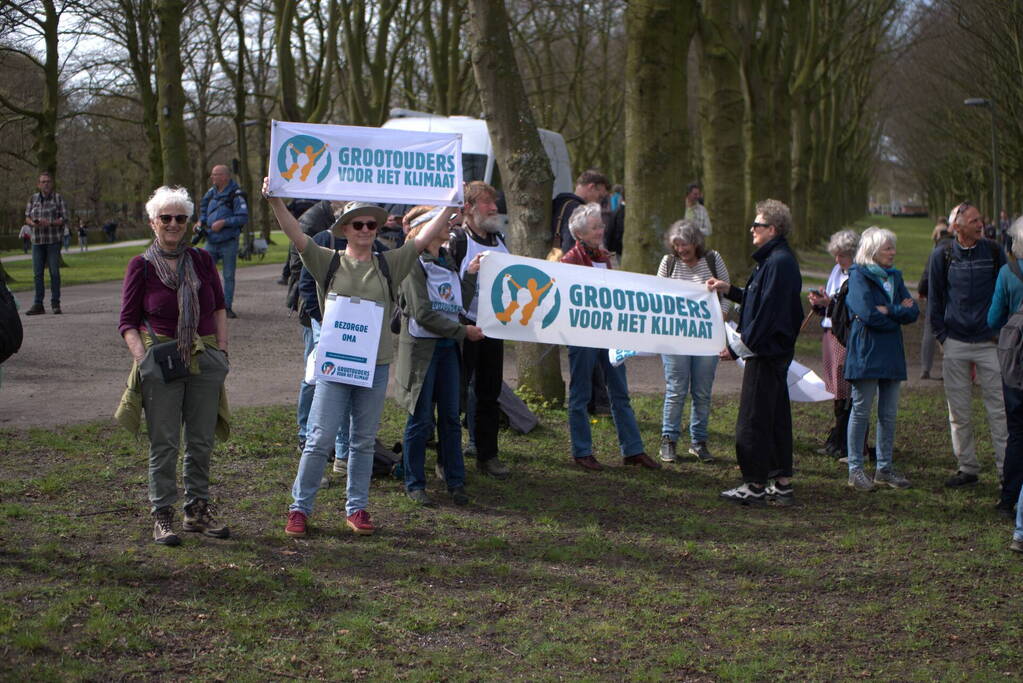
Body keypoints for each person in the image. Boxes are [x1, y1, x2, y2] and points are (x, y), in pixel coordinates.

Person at [264, 178, 452, 539]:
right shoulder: (327, 261)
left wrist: (449, 206)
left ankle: (357, 509)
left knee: (363, 441)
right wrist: (275, 201)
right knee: (319, 439)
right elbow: (296, 235)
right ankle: (299, 509)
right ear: (344, 229)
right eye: (358, 224)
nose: (366, 230)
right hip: (334, 365)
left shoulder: (389, 263)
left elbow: (422, 239)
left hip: (375, 367)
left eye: (371, 225)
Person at [117, 186, 231, 546]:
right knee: (164, 442)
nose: (173, 224)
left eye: (180, 218)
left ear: (188, 223)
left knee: (201, 440)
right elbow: (127, 322)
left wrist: (222, 351)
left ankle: (196, 510)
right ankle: (162, 513)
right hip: (162, 360)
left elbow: (219, 308)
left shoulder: (202, 260)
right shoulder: (141, 266)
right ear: (153, 222)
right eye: (165, 217)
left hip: (205, 357)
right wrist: (143, 359)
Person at [708, 199, 802, 505]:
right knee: (774, 418)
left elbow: (767, 314)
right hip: (772, 351)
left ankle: (754, 484)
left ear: (772, 229)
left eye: (757, 225)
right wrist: (730, 290)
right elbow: (759, 299)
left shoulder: (777, 263)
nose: (752, 229)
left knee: (753, 419)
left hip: (765, 353)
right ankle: (782, 483)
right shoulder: (776, 260)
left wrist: (738, 348)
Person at [561, 203, 660, 471]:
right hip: (582, 336)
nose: (601, 231)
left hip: (609, 334)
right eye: (595, 227)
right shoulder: (569, 261)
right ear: (580, 234)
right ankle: (582, 451)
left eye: (601, 226)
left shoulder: (605, 257)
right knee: (580, 394)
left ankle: (633, 450)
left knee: (620, 392)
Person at [396, 213, 484, 506]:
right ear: (426, 228)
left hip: (447, 349)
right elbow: (422, 313)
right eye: (443, 221)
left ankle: (455, 481)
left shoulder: (447, 260)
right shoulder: (412, 262)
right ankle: (414, 482)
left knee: (450, 418)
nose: (450, 225)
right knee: (420, 419)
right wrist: (462, 332)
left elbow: (455, 304)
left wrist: (470, 275)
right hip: (422, 352)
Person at [928, 201, 1006, 488]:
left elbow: (1005, 291)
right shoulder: (942, 255)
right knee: (958, 411)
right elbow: (935, 299)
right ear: (956, 227)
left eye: (980, 219)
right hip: (955, 342)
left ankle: (1006, 471)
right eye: (973, 221)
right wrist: (942, 337)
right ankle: (967, 467)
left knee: (999, 411)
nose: (980, 224)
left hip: (990, 342)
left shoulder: (994, 251)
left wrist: (1000, 333)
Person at [843, 227, 919, 491]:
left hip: (891, 354)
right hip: (866, 352)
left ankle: (884, 468)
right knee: (861, 411)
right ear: (873, 251)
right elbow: (866, 313)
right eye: (888, 248)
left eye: (892, 247)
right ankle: (855, 469)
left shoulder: (895, 277)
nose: (893, 252)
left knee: (888, 414)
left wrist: (889, 310)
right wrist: (896, 316)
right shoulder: (858, 276)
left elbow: (913, 312)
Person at [449, 182, 512, 478]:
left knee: (489, 392)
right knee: (455, 393)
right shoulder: (458, 240)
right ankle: (447, 456)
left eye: (494, 201)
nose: (494, 207)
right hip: (463, 328)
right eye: (487, 202)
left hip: (493, 328)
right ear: (469, 208)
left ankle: (487, 455)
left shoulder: (500, 239)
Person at [656, 219, 730, 464]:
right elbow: (657, 296)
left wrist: (721, 317)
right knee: (676, 389)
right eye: (676, 245)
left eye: (684, 244)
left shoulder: (713, 259)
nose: (681, 250)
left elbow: (726, 294)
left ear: (696, 242)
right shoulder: (668, 263)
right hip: (675, 337)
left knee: (702, 392)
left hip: (706, 338)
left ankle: (698, 441)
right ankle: (669, 439)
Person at [807, 230, 859, 460]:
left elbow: (849, 307)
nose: (838, 260)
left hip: (844, 335)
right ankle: (837, 437)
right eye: (836, 255)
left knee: (845, 388)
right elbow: (831, 301)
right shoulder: (837, 271)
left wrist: (831, 302)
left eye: (842, 256)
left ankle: (847, 440)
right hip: (830, 332)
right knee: (835, 388)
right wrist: (821, 302)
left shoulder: (857, 275)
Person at [987, 216, 1023, 519]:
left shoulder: (1007, 273)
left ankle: (1008, 497)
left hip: (1015, 362)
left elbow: (993, 319)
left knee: (1017, 432)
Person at [199, 165, 249, 318]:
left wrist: (224, 222)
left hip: (228, 242)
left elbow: (243, 217)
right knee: (202, 273)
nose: (212, 177)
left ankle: (226, 307)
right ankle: (206, 305)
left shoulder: (236, 194)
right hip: (210, 240)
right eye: (212, 174)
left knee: (228, 276)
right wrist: (201, 222)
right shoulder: (210, 193)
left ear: (225, 176)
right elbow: (203, 209)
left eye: (215, 174)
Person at [24, 172, 69, 315]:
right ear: (38, 184)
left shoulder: (58, 198)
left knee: (54, 272)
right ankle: (38, 304)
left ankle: (55, 303)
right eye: (43, 182)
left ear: (52, 184)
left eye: (48, 181)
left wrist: (50, 223)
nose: (46, 184)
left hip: (53, 241)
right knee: (37, 274)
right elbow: (27, 217)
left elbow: (64, 218)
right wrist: (33, 223)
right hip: (37, 241)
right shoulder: (33, 198)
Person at [917, 219, 953, 379]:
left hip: (934, 296)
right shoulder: (957, 250)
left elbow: (927, 274)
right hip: (952, 297)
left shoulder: (936, 251)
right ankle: (947, 369)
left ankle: (925, 368)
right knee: (949, 333)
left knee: (929, 332)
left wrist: (921, 290)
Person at [552, 169, 610, 254]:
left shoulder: (560, 203)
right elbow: (570, 245)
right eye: (600, 197)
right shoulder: (578, 210)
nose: (598, 202)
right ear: (591, 187)